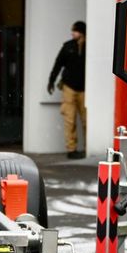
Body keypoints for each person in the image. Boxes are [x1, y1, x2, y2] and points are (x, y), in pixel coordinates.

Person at [47, 20, 86, 158]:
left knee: (87, 120)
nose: (72, 33)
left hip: (85, 89)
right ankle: (71, 149)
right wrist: (51, 81)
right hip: (69, 87)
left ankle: (88, 148)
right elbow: (58, 64)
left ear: (82, 32)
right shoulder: (68, 46)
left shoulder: (89, 47)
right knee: (69, 120)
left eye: (75, 31)